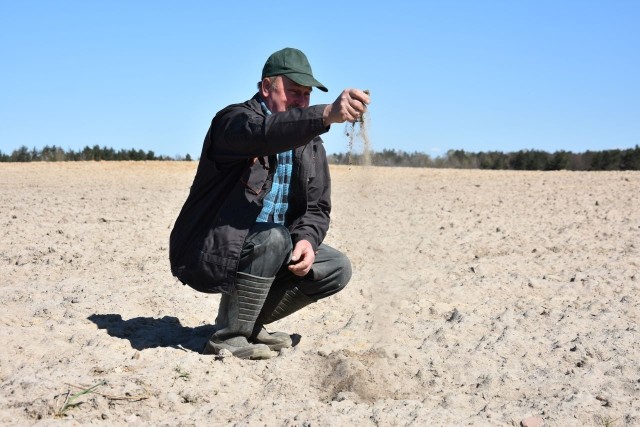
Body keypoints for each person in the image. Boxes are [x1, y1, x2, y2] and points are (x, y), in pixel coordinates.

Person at [169, 47, 370, 360]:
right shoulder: (234, 122)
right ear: (266, 87)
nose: (300, 102)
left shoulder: (311, 143)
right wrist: (325, 114)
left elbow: (316, 208)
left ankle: (248, 324)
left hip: (269, 250)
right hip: (212, 248)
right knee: (274, 238)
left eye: (306, 95)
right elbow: (266, 133)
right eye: (293, 92)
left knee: (334, 267)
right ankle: (229, 338)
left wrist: (307, 239)